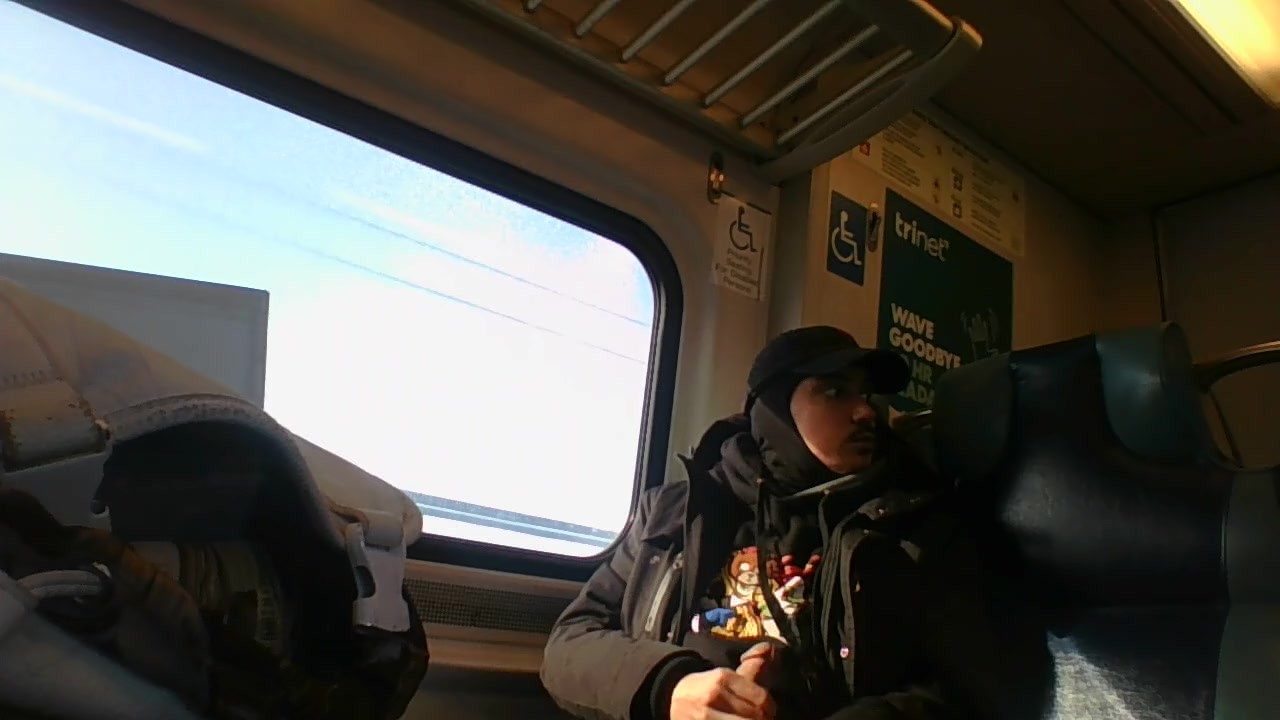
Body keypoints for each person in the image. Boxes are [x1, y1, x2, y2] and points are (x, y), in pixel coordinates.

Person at [541, 325, 1046, 720]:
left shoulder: (916, 525)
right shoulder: (675, 512)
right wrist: (669, 686)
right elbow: (568, 644)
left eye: (868, 395)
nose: (866, 413)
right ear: (775, 410)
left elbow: (971, 686)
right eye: (835, 392)